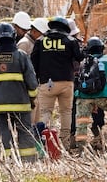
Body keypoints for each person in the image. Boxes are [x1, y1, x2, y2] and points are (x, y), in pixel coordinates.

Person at [0, 23, 40, 162]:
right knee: (25, 133)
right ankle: (28, 162)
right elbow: (32, 82)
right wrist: (32, 99)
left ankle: (8, 161)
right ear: (14, 36)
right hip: (21, 105)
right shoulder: (22, 56)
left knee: (4, 134)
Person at [31, 16, 85, 147]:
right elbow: (79, 57)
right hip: (66, 81)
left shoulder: (40, 41)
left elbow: (33, 62)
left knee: (45, 113)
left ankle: (39, 140)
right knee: (66, 112)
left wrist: (39, 77)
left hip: (46, 82)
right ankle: (65, 144)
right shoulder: (70, 40)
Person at [74, 37, 107, 148]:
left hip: (83, 97)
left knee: (81, 124)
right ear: (101, 48)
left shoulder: (82, 61)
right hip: (103, 96)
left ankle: (81, 148)